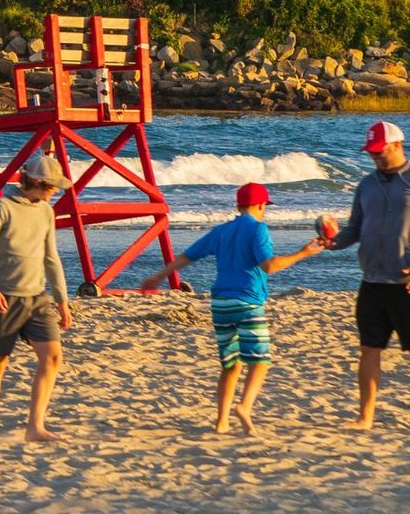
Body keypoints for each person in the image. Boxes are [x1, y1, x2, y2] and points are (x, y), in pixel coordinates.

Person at [140, 183, 326, 434]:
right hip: (247, 302)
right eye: (264, 208)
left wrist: (158, 276)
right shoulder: (258, 228)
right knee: (260, 361)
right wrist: (302, 253)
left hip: (220, 305)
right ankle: (245, 406)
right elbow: (269, 265)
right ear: (261, 206)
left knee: (231, 364)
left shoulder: (222, 230)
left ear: (238, 206)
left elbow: (188, 256)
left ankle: (222, 421)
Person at [322, 120, 410, 432]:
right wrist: (333, 242)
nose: (375, 157)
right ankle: (365, 417)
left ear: (397, 146)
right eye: (371, 153)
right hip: (372, 281)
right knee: (369, 349)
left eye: (379, 151)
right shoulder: (367, 185)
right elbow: (355, 228)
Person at [0, 153, 75, 442]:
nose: (55, 192)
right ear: (38, 182)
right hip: (4, 297)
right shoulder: (1, 208)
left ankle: (35, 427)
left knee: (52, 357)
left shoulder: (46, 211)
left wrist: (62, 299)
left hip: (38, 297)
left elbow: (51, 256)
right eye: (52, 187)